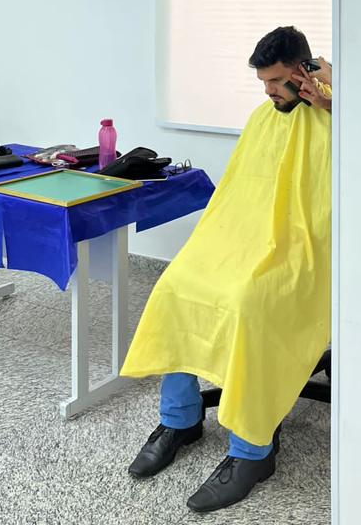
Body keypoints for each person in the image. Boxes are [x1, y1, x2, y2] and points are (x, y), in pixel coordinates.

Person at [122, 27, 332, 513]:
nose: (269, 91)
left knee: (247, 303)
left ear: (303, 72)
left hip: (302, 248)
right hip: (241, 240)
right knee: (175, 285)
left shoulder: (335, 118)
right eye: (263, 82)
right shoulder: (262, 119)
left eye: (277, 80)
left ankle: (253, 451)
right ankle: (180, 419)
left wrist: (333, 99)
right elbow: (241, 195)